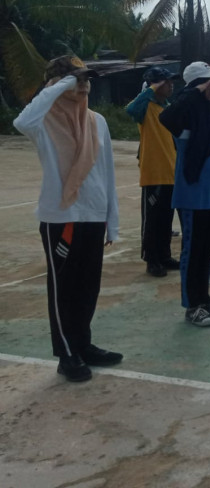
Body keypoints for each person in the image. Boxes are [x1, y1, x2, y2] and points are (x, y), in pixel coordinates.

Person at [14, 55, 122, 382]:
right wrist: (63, 82)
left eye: (86, 80)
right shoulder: (44, 120)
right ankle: (66, 353)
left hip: (92, 214)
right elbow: (22, 121)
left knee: (89, 286)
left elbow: (107, 171)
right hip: (62, 217)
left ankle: (83, 345)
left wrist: (110, 219)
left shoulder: (95, 120)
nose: (84, 86)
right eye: (78, 80)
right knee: (64, 288)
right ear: (58, 83)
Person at [159, 61, 210, 328]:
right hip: (193, 194)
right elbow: (166, 117)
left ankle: (204, 300)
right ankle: (192, 305)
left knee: (208, 251)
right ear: (195, 86)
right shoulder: (184, 113)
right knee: (193, 252)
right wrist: (194, 89)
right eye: (209, 82)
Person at [125, 66, 180, 277]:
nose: (171, 85)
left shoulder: (167, 107)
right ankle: (151, 258)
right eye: (166, 82)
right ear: (155, 85)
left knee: (166, 218)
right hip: (154, 173)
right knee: (152, 220)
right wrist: (151, 88)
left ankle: (164, 255)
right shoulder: (145, 107)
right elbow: (131, 109)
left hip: (170, 171)